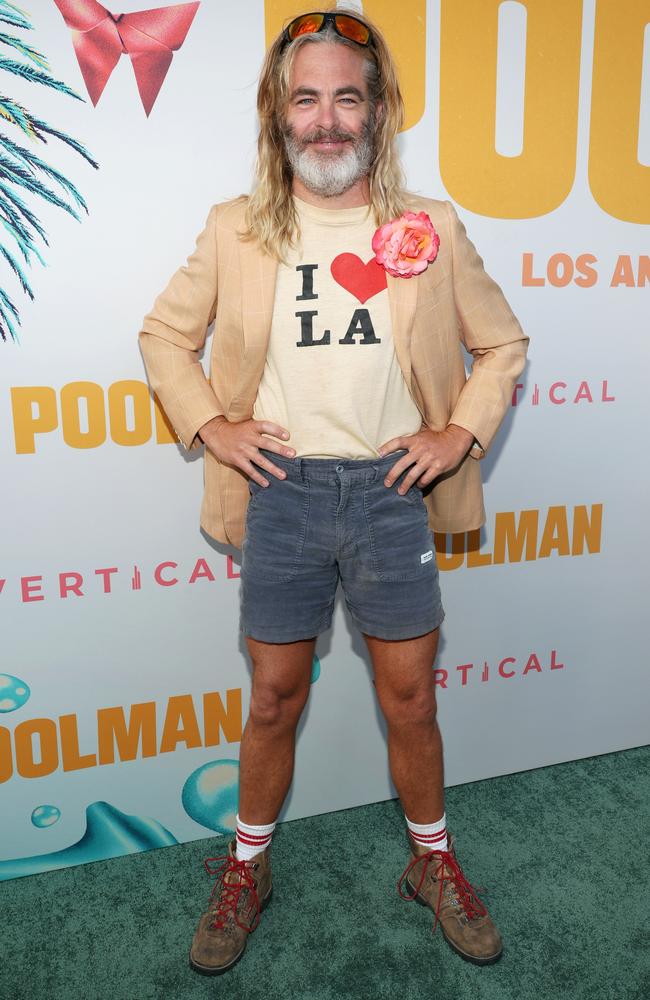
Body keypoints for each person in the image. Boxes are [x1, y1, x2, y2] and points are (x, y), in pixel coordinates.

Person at [139, 7, 528, 977]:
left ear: (377, 110)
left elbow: (502, 343)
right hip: (283, 494)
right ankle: (246, 867)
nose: (324, 120)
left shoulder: (428, 227)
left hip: (393, 496)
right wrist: (210, 424)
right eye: (303, 98)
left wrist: (455, 434)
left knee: (409, 698)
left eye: (344, 97)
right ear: (278, 113)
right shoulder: (235, 227)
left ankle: (431, 862)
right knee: (272, 698)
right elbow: (162, 335)